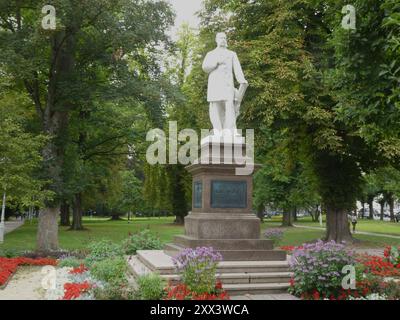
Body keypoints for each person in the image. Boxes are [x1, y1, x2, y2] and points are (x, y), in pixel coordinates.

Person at [202, 32, 248, 137]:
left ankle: (230, 129)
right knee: (215, 106)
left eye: (224, 38)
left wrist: (242, 80)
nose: (223, 39)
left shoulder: (232, 54)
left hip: (227, 84)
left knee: (230, 106)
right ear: (216, 40)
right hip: (215, 83)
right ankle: (218, 130)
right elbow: (205, 67)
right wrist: (215, 63)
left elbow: (237, 69)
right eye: (221, 38)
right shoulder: (211, 54)